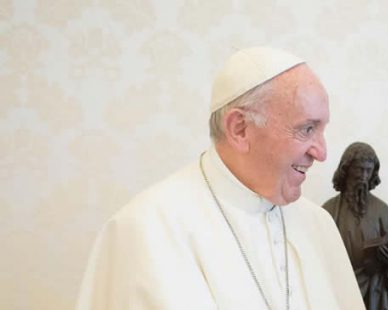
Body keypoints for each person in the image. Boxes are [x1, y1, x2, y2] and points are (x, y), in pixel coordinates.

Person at [77, 47, 365, 310]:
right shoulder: (143, 230)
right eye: (306, 129)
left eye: (321, 129)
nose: (322, 152)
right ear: (240, 128)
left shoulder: (318, 225)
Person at [322, 142, 388, 310]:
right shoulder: (328, 212)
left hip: (377, 297)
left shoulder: (383, 212)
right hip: (338, 294)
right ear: (346, 170)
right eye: (359, 169)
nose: (363, 176)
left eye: (368, 171)